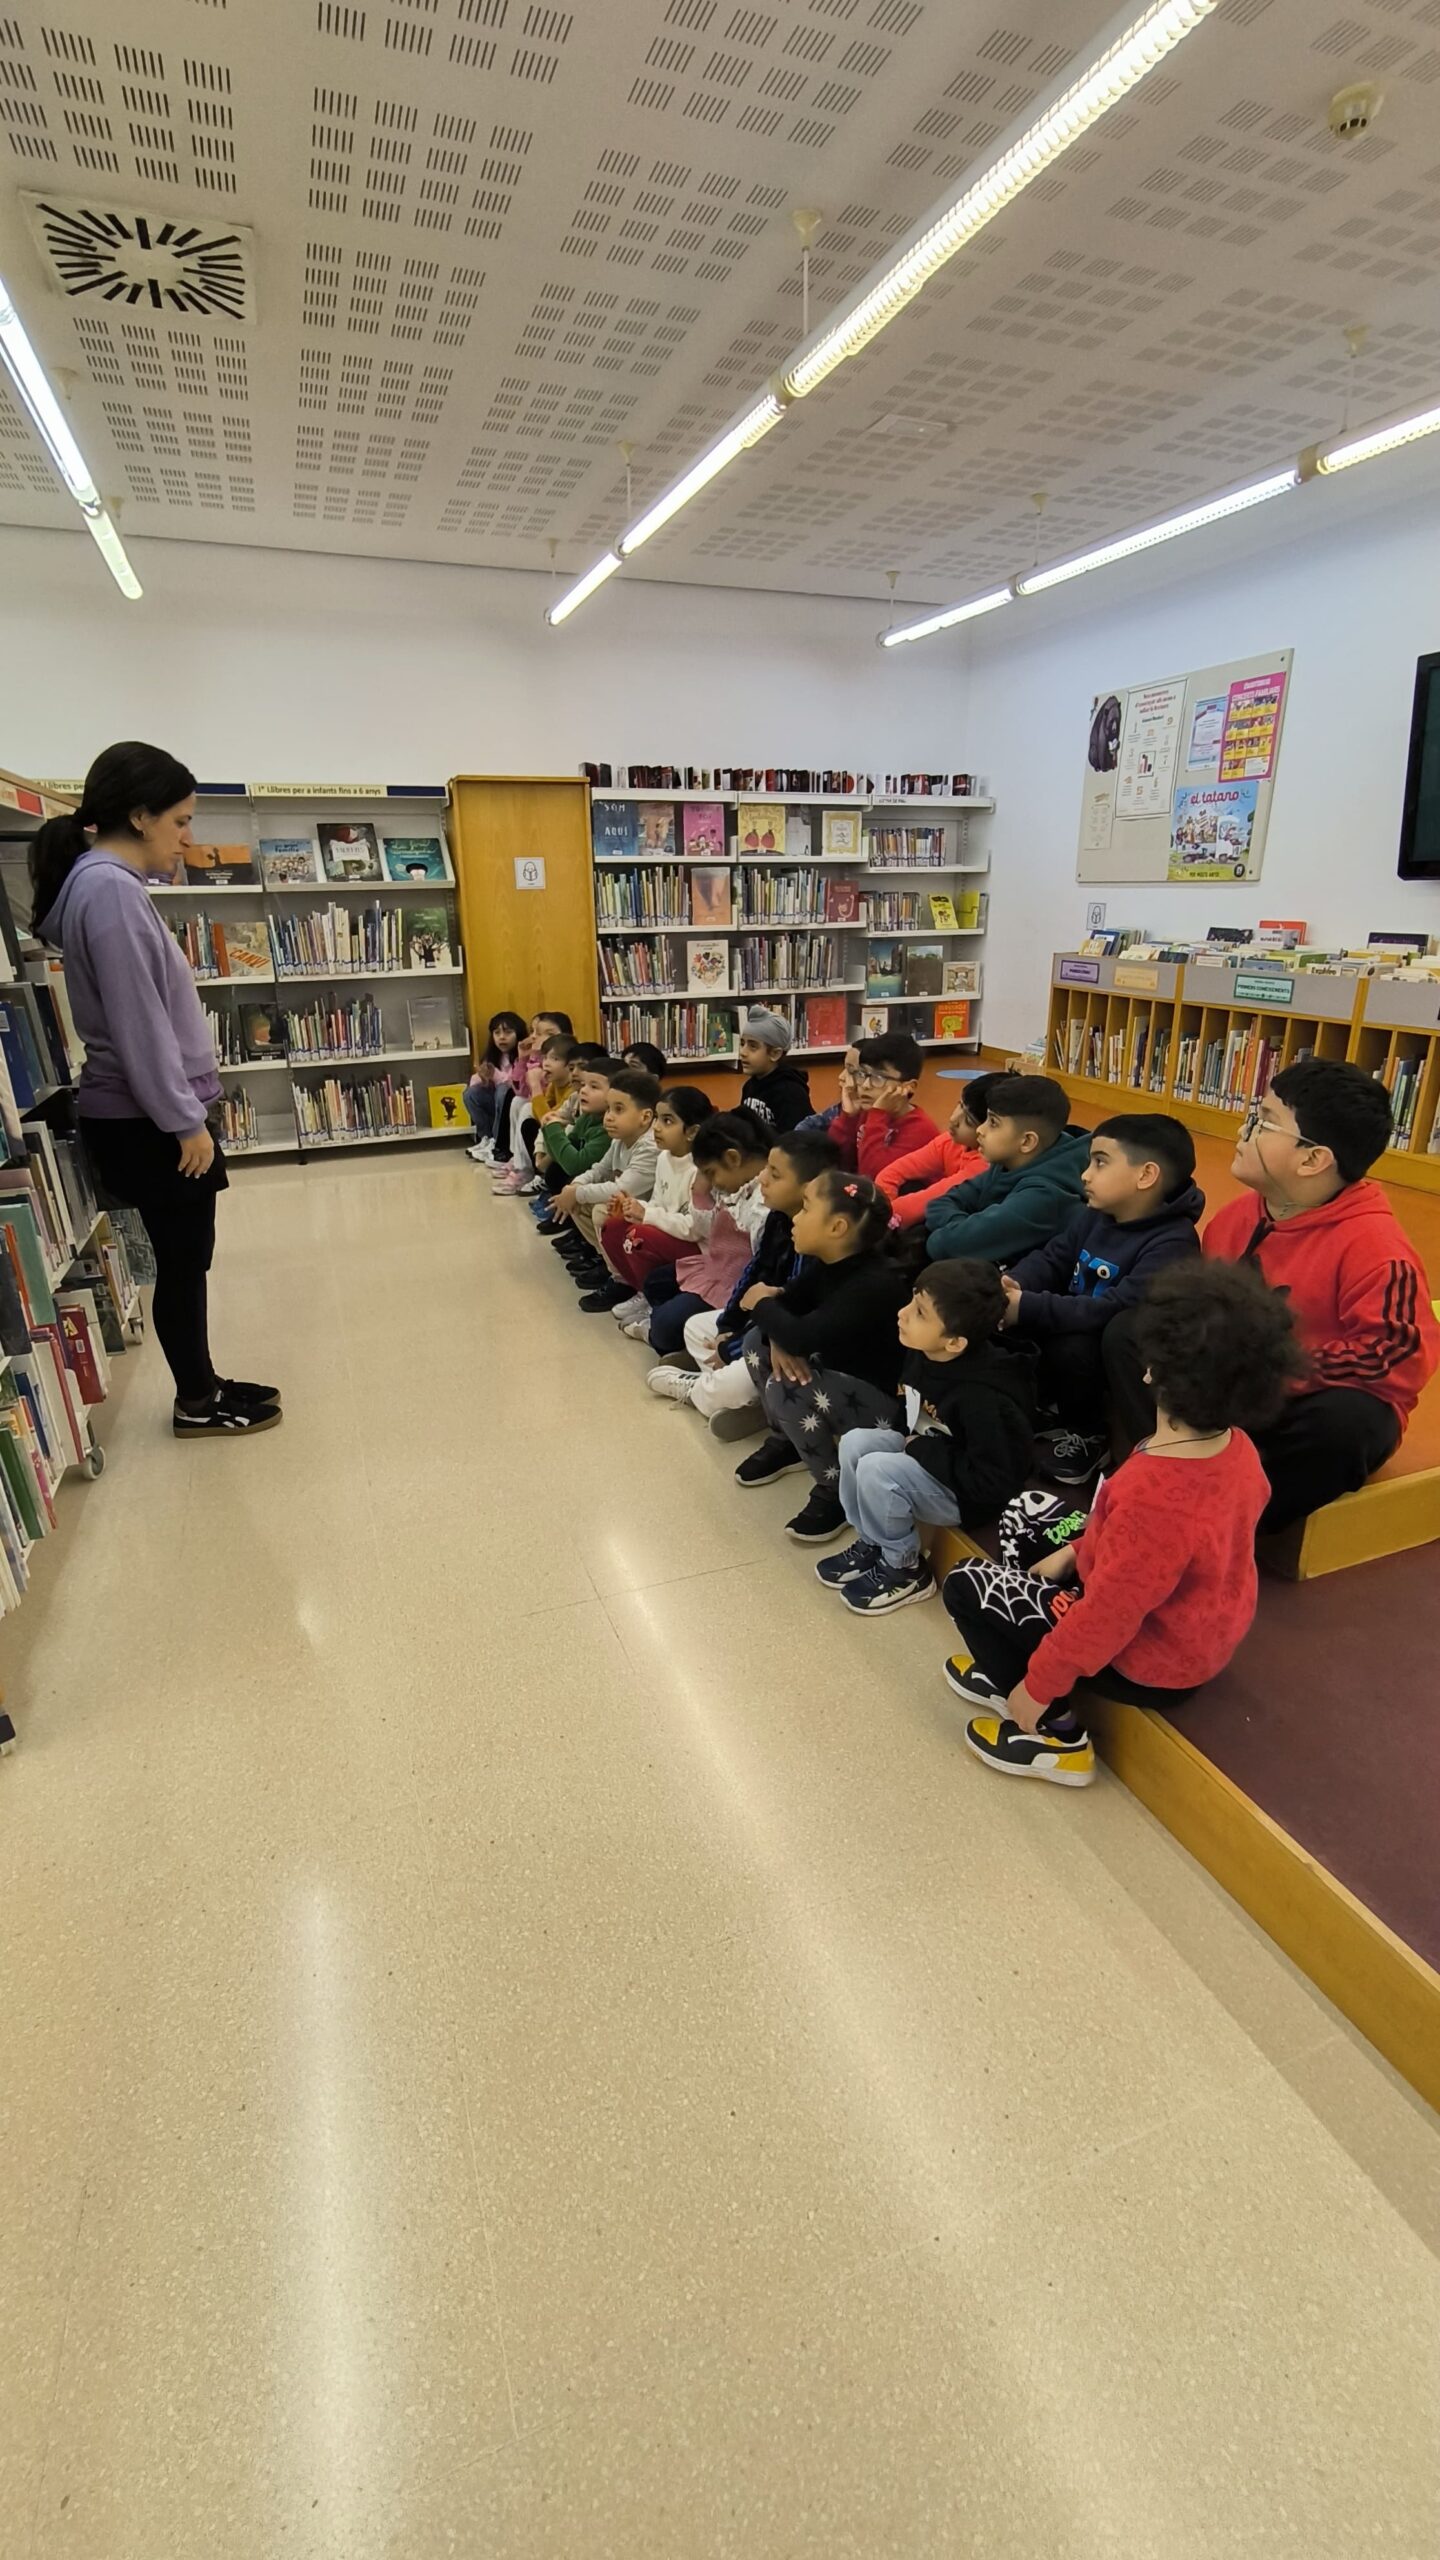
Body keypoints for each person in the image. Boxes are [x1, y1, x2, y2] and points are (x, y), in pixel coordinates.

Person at [943, 1262, 1303, 1787]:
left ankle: (1058, 1736)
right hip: (1183, 1618)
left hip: (1149, 1657)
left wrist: (1039, 1686)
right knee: (1026, 1512)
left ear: (1153, 1370)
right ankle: (1021, 1651)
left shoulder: (1154, 1498)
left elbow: (1112, 1613)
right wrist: (1075, 1550)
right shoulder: (1236, 1447)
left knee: (966, 1585)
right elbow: (1145, 1549)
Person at [30, 741, 280, 1438]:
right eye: (180, 821)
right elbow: (140, 1023)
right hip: (150, 1118)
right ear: (139, 817)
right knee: (182, 1261)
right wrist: (183, 1120)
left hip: (148, 1112)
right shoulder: (110, 890)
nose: (188, 839)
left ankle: (204, 1381)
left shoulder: (105, 884)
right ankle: (197, 1402)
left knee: (186, 1259)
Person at [1177, 1059, 1434, 1535]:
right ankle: (1159, 1489)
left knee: (1349, 1424)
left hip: (1302, 1397)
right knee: (1133, 1334)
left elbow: (1395, 1354)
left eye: (1264, 1122)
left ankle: (1212, 1533)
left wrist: (1270, 1373)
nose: (1243, 1130)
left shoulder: (1378, 1249)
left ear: (1313, 1159)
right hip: (1235, 1385)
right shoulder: (1234, 1219)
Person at [817, 1258, 1037, 1613]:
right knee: (856, 1443)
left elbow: (994, 1482)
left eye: (919, 1312)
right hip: (927, 1454)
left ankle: (904, 1568)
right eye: (912, 1300)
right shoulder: (925, 1352)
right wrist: (916, 1446)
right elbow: (910, 1411)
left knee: (877, 1470)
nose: (902, 1314)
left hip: (969, 1495)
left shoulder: (985, 1398)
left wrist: (922, 1449)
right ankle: (873, 1542)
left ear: (954, 1343)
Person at [1002, 1112, 1203, 1484]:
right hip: (1069, 1324)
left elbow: (1116, 1308)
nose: (1085, 1175)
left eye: (1100, 1163)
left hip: (1107, 1350)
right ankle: (1039, 1407)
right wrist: (1014, 1283)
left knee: (1074, 1344)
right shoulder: (1095, 1215)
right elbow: (1053, 1257)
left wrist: (1027, 1306)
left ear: (1146, 1175)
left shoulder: (1173, 1241)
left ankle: (1089, 1436)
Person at [740, 1169, 911, 1543]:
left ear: (837, 1227)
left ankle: (835, 1489)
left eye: (805, 1208)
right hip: (837, 1381)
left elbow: (797, 1331)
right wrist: (775, 1329)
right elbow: (788, 1308)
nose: (795, 1218)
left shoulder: (873, 1283)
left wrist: (762, 1303)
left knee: (787, 1386)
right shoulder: (830, 1263)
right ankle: (788, 1440)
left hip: (884, 1408)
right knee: (757, 1340)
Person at [646, 1126, 838, 1428]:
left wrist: (732, 1346)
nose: (762, 1178)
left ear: (811, 1187)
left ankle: (703, 1391)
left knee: (746, 1360)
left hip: (792, 1344)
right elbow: (754, 1273)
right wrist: (728, 1327)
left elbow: (793, 1310)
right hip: (769, 1325)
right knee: (696, 1327)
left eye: (775, 1174)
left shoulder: (818, 1241)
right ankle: (747, 1396)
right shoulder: (779, 1218)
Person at [632, 1110, 771, 1355]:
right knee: (654, 1284)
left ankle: (678, 1341)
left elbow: (761, 1267)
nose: (710, 1180)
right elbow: (705, 1228)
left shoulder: (761, 1203)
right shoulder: (732, 1185)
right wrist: (700, 1192)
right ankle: (682, 1338)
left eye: (710, 1172)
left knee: (665, 1326)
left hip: (735, 1287)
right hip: (714, 1269)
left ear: (733, 1158)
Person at [923, 1074, 1088, 1264]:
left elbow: (943, 1246)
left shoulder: (1046, 1195)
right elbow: (938, 1204)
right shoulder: (1007, 1164)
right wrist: (961, 1228)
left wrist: (959, 1231)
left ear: (1027, 1141)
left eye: (993, 1123)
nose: (980, 1130)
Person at [551, 1067, 660, 1304]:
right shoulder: (620, 1139)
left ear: (645, 1117)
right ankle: (610, 1263)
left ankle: (625, 1281)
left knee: (602, 1210)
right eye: (609, 1108)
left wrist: (576, 1193)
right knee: (580, 1202)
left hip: (651, 1216)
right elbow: (599, 1170)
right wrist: (574, 1187)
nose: (608, 1117)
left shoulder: (650, 1147)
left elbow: (621, 1189)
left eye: (618, 1109)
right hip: (629, 1211)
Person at [603, 1084, 710, 1322]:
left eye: (668, 1121)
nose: (657, 1128)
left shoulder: (701, 1170)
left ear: (692, 1131)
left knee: (638, 1236)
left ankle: (656, 1302)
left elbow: (695, 1228)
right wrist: (632, 1207)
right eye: (657, 1119)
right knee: (613, 1226)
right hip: (669, 1234)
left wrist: (646, 1216)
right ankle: (642, 1292)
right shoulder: (664, 1158)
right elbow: (658, 1203)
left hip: (697, 1247)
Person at [877, 1070, 1002, 1230]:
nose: (953, 1119)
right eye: (959, 1105)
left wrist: (875, 1217)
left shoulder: (983, 1166)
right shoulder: (951, 1141)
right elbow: (891, 1173)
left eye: (969, 1121)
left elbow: (920, 1205)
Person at [828, 1031, 939, 1181]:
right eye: (862, 1074)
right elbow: (834, 1163)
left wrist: (878, 1115)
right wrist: (848, 1118)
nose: (865, 1085)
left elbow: (874, 1176)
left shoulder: (920, 1130)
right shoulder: (865, 1112)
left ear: (909, 1086)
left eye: (878, 1077)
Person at [533, 1054, 614, 1230]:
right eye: (584, 1085)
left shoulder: (607, 1130)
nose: (583, 1091)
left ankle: (579, 1232)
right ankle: (569, 1223)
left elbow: (573, 1165)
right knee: (555, 1170)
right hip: (587, 1183)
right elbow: (559, 1157)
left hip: (606, 1192)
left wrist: (554, 1129)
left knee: (570, 1177)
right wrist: (549, 1126)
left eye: (594, 1087)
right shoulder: (588, 1117)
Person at [464, 1009, 527, 1163]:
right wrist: (482, 1077)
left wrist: (495, 1075)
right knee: (471, 1093)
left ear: (518, 1034)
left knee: (502, 1090)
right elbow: (482, 1082)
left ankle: (498, 1143)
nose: (502, 1037)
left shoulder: (523, 1055)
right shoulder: (494, 1055)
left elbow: (514, 1083)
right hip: (496, 1104)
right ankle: (486, 1139)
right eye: (497, 1033)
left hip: (512, 1106)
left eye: (508, 1032)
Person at [738, 1008, 812, 1131]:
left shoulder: (791, 1094)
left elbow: (795, 1138)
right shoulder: (749, 1086)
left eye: (753, 1046)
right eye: (742, 1044)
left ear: (775, 1054)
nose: (743, 1052)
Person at [796, 1045, 861, 1136]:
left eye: (852, 1071)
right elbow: (805, 1127)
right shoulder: (838, 1110)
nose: (841, 1076)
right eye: (844, 1068)